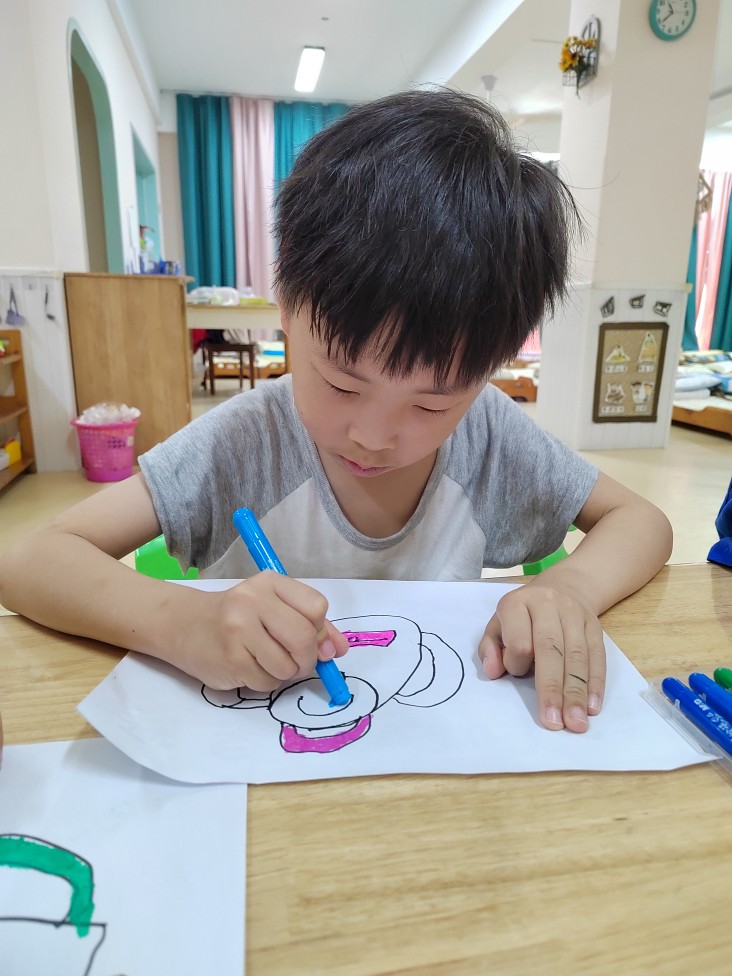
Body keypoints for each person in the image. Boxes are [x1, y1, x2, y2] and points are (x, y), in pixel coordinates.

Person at [0, 89, 671, 735]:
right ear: (286, 306)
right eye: (342, 385)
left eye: (432, 403)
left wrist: (572, 590)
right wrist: (180, 621)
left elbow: (640, 521)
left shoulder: (488, 433)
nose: (373, 436)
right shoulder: (245, 441)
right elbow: (31, 562)